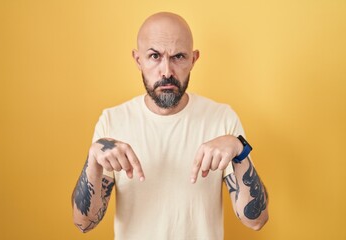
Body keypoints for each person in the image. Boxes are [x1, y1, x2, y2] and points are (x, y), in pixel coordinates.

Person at [71, 12, 268, 239]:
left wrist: (238, 149)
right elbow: (83, 223)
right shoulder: (112, 121)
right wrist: (93, 159)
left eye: (178, 57)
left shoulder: (222, 118)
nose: (166, 71)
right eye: (155, 56)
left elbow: (256, 221)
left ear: (193, 60)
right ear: (138, 60)